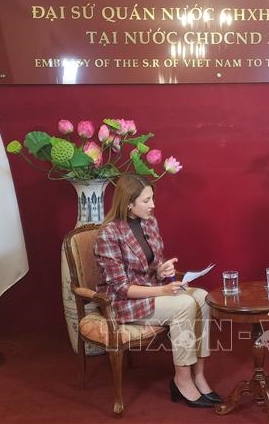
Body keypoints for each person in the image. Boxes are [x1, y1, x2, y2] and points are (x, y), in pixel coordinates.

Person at [94, 173, 222, 408]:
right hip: (124, 303)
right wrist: (163, 290)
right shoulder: (109, 234)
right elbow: (122, 288)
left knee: (203, 297)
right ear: (128, 203)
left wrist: (161, 270)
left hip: (152, 288)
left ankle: (199, 375)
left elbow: (152, 266)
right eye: (146, 200)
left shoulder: (149, 222)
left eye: (152, 198)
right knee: (184, 304)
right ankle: (182, 380)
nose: (153, 205)